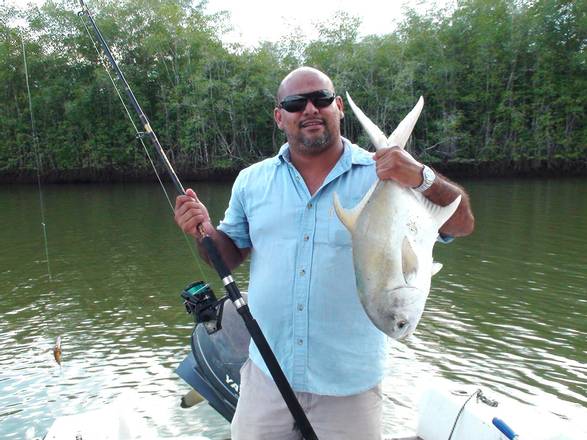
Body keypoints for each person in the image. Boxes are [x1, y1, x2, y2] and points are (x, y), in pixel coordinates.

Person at [174, 66, 474, 440]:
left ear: (339, 109)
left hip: (350, 386)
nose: (310, 109)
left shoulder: (384, 173)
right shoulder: (252, 181)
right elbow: (229, 254)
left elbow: (461, 224)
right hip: (267, 374)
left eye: (322, 99)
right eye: (296, 103)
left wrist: (420, 176)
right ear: (279, 116)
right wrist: (202, 231)